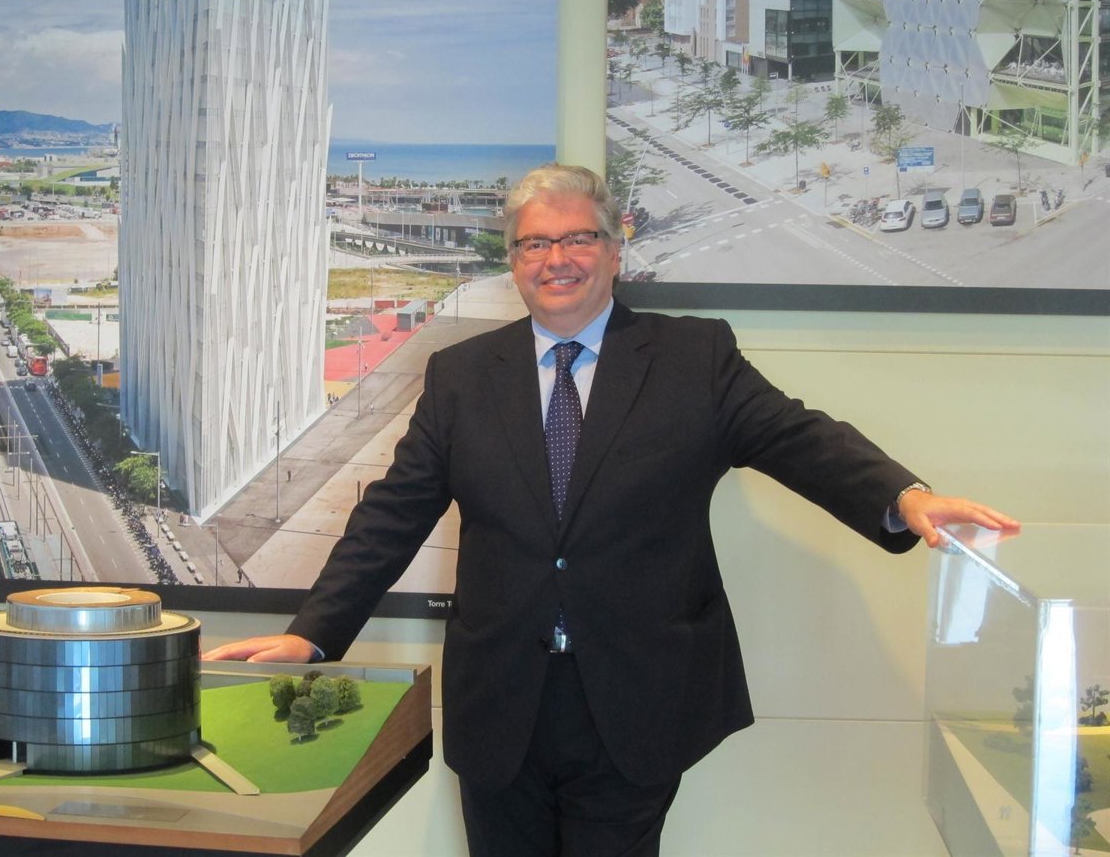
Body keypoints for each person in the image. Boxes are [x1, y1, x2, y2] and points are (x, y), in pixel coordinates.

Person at [205, 164, 1019, 856]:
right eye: (535, 244)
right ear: (513, 260)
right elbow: (393, 511)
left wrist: (905, 497)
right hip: (501, 701)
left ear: (614, 249)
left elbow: (798, 437)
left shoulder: (694, 358)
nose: (556, 259)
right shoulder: (462, 376)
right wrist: (314, 632)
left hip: (637, 697)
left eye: (577, 239)